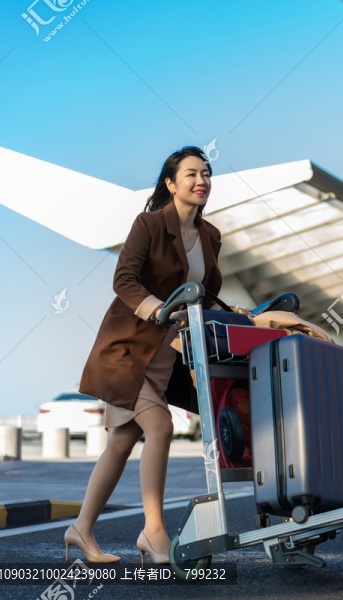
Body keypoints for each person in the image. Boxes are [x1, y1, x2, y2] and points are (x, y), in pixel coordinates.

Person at [65, 147, 224, 564]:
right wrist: (159, 309)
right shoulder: (150, 224)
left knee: (121, 442)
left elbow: (205, 293)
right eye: (191, 174)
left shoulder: (210, 236)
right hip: (128, 349)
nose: (201, 180)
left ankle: (81, 529)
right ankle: (153, 533)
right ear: (171, 184)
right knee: (161, 427)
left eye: (206, 173)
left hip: (165, 357)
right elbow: (124, 279)